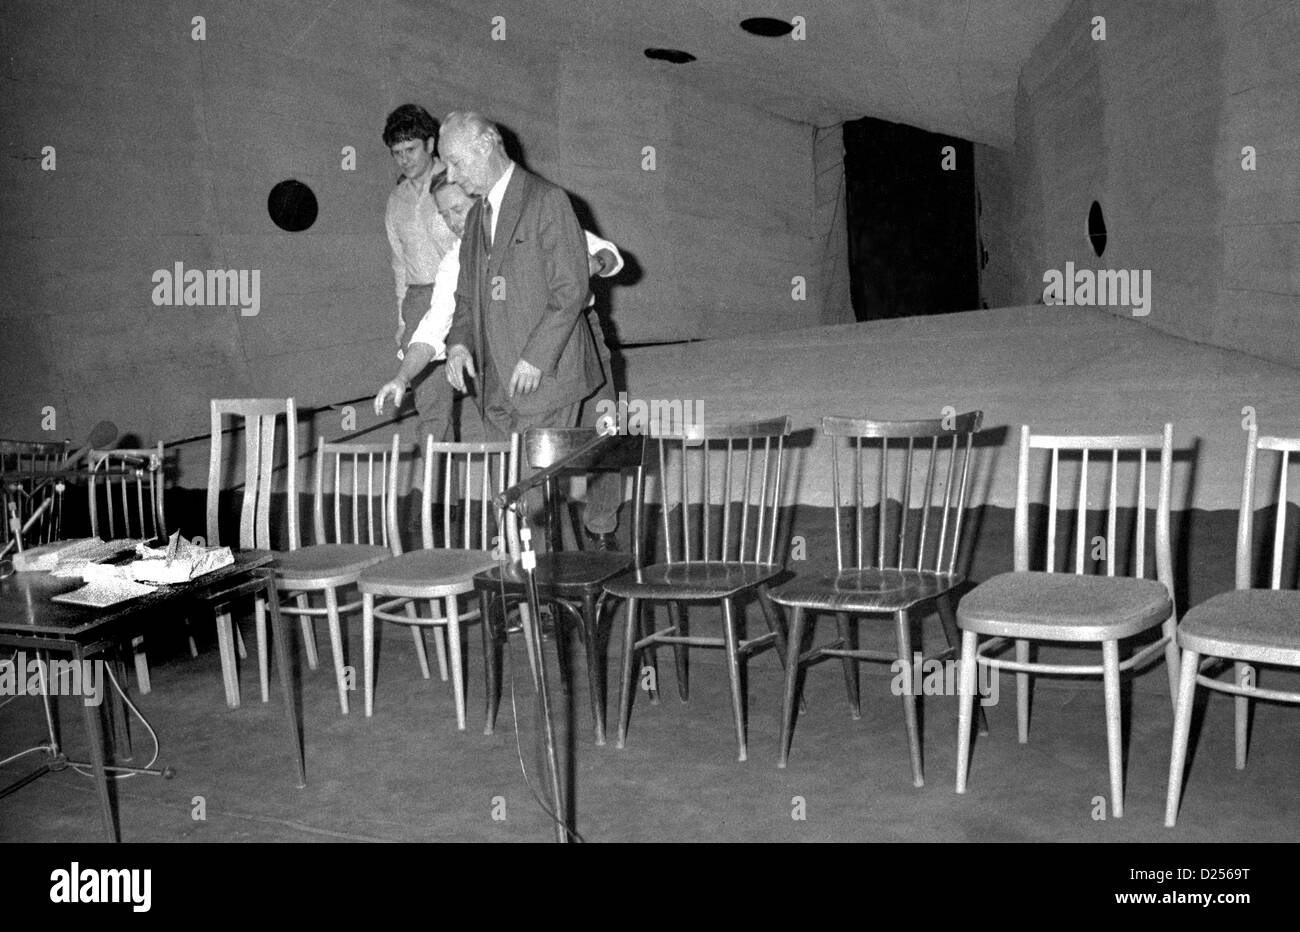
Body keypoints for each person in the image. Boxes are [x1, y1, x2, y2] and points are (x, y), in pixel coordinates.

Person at [374, 173, 626, 548]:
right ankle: (533, 552)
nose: (453, 221)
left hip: (577, 336)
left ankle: (602, 528)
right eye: (444, 214)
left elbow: (610, 254)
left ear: (482, 202)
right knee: (524, 458)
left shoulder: (534, 220)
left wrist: (592, 264)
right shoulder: (456, 262)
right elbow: (432, 328)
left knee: (603, 436)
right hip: (514, 355)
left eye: (458, 209)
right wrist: (402, 377)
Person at [382, 104, 460, 442]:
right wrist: (403, 319)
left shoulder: (460, 182)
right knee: (431, 410)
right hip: (419, 299)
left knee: (493, 400)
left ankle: (505, 493)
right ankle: (438, 496)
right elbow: (399, 262)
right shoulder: (395, 200)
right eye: (396, 153)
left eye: (410, 149)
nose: (404, 159)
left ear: (430, 144)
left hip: (463, 296)